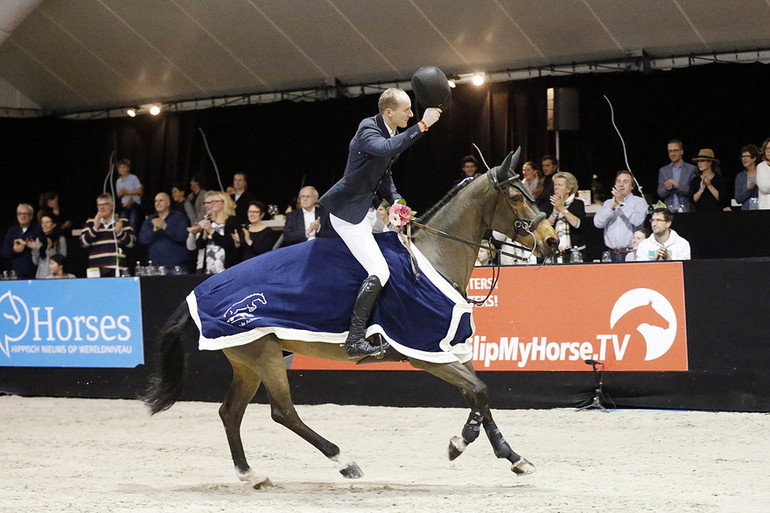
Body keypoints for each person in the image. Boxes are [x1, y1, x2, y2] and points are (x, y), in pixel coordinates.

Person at [317, 87, 441, 358]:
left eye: (412, 110)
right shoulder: (368, 129)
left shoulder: (392, 132)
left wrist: (396, 200)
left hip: (369, 212)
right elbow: (388, 149)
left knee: (396, 257)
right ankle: (354, 339)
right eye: (406, 109)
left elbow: (384, 175)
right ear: (388, 112)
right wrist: (423, 125)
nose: (411, 113)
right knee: (380, 270)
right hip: (349, 215)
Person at [593, 170, 648, 262]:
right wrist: (611, 207)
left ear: (632, 186)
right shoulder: (608, 203)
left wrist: (622, 203)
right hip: (611, 254)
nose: (621, 185)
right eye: (618, 181)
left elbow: (638, 220)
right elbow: (597, 223)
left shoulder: (639, 202)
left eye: (625, 182)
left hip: (631, 252)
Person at [79, 193, 135, 277]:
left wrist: (120, 233)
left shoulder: (122, 221)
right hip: (96, 269)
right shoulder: (90, 222)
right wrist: (95, 228)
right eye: (99, 205)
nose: (101, 207)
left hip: (117, 268)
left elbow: (131, 243)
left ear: (112, 206)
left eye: (105, 204)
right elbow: (83, 243)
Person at [189, 191, 240, 273]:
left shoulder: (231, 221)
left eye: (216, 201)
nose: (213, 204)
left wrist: (212, 232)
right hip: (209, 266)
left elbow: (229, 244)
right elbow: (199, 245)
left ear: (224, 203)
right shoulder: (210, 221)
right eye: (212, 202)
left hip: (225, 266)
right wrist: (204, 236)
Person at [139, 192, 191, 269]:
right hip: (155, 266)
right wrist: (154, 230)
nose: (158, 203)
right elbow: (143, 239)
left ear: (168, 203)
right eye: (156, 201)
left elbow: (183, 236)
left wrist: (165, 227)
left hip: (176, 266)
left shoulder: (178, 217)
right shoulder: (150, 219)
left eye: (161, 200)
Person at [548, 171, 585, 255]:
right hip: (555, 251)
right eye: (555, 185)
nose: (556, 187)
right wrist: (554, 213)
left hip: (575, 251)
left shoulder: (578, 204)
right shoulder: (550, 203)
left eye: (559, 185)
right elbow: (547, 228)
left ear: (568, 189)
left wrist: (562, 209)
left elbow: (577, 224)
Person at [1, 203, 42, 279]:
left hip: (35, 274)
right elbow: (4, 252)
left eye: (26, 214)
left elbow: (43, 250)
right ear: (17, 216)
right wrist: (14, 250)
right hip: (16, 275)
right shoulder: (12, 231)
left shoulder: (38, 230)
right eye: (20, 214)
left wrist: (26, 245)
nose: (22, 216)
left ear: (31, 216)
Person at [657, 139, 697, 212]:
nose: (672, 154)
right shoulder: (663, 170)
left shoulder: (691, 169)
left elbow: (694, 191)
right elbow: (660, 193)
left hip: (686, 211)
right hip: (669, 212)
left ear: (682, 151)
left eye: (675, 150)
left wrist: (678, 186)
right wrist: (666, 188)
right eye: (670, 151)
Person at [31, 213, 67, 279]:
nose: (44, 225)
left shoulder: (60, 239)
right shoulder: (39, 239)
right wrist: (35, 249)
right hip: (41, 275)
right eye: (42, 222)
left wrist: (50, 248)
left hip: (54, 275)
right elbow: (36, 262)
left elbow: (62, 260)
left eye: (47, 222)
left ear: (53, 225)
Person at [115, 159, 144, 232]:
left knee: (133, 223)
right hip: (124, 205)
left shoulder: (133, 178)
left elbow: (140, 191)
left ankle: (133, 240)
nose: (122, 169)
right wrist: (122, 193)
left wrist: (127, 192)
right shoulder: (118, 181)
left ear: (128, 168)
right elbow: (118, 195)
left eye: (124, 167)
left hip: (134, 204)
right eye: (120, 168)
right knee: (123, 223)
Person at [734, 145, 761, 210]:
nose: (744, 159)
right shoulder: (740, 176)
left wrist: (755, 187)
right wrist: (749, 190)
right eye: (742, 157)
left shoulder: (762, 173)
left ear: (754, 158)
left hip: (763, 211)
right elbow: (738, 199)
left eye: (746, 156)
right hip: (747, 213)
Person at [755, 137, 770, 209]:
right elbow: (765, 187)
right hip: (766, 210)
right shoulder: (761, 167)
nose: (768, 151)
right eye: (766, 148)